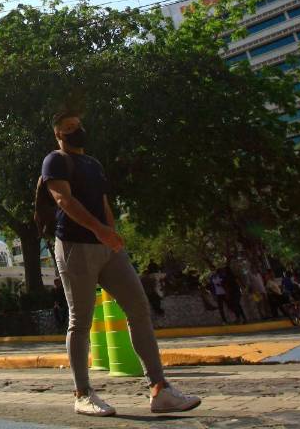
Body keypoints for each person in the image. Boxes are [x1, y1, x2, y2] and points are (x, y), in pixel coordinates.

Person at [43, 110, 200, 417]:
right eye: (68, 128)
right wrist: (98, 230)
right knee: (80, 321)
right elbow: (63, 200)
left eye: (78, 125)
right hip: (76, 247)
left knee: (139, 308)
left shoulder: (94, 164)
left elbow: (103, 203)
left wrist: (111, 234)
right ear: (58, 135)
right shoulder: (55, 160)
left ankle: (160, 389)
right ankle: (82, 393)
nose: (76, 131)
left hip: (108, 248)